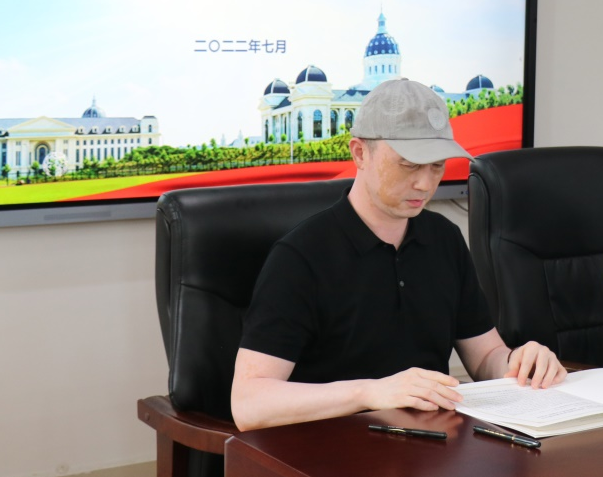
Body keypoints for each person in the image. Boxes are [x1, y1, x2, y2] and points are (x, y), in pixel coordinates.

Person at [231, 78, 566, 430]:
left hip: (431, 442)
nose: (426, 183)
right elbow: (249, 403)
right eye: (409, 164)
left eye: (437, 165)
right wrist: (369, 392)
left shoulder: (444, 239)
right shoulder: (301, 256)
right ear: (360, 153)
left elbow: (485, 357)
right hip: (332, 444)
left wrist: (519, 362)